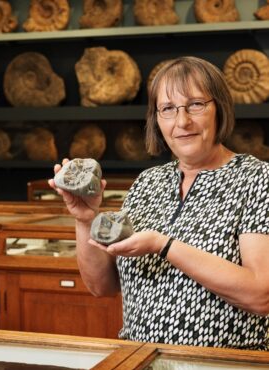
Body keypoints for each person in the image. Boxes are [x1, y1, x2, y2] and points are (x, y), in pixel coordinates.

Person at [48, 56, 269, 350]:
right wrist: (85, 218)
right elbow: (102, 287)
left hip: (222, 363)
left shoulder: (256, 178)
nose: (182, 121)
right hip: (140, 357)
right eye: (168, 109)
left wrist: (164, 245)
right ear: (157, 120)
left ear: (220, 109)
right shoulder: (147, 182)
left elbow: (260, 294)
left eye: (195, 105)